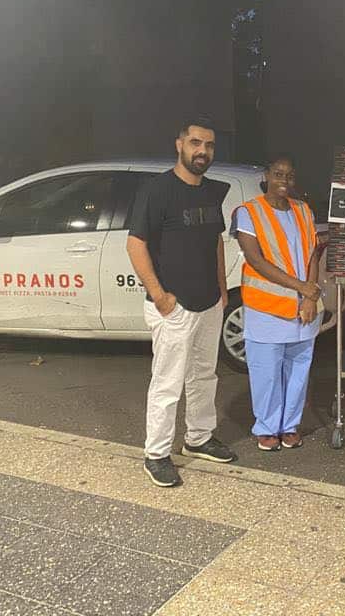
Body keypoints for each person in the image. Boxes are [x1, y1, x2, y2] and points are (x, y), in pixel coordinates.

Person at [127, 115, 236, 488]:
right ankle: (157, 454)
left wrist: (222, 289)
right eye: (195, 143)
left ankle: (198, 438)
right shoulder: (157, 190)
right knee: (168, 382)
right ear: (180, 145)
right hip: (175, 307)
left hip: (209, 303)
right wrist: (159, 296)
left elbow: (216, 240)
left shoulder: (211, 191)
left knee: (204, 375)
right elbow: (135, 244)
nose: (202, 151)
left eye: (209, 145)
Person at [233, 155, 322, 450]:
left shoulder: (303, 210)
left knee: (298, 370)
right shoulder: (248, 212)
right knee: (267, 372)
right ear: (267, 176)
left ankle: (290, 426)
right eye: (278, 174)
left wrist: (309, 296)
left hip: (303, 309)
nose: (284, 180)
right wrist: (303, 288)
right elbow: (255, 260)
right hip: (267, 309)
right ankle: (267, 427)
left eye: (289, 175)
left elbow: (312, 254)